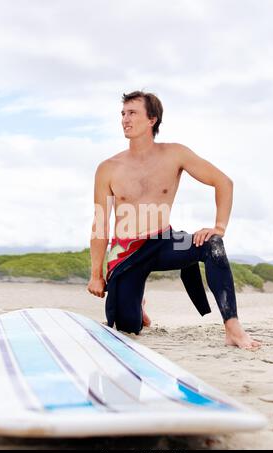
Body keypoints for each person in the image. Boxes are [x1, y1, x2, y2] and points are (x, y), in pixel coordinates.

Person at [87, 90, 261, 350]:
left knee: (212, 244)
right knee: (127, 328)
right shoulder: (108, 168)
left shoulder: (175, 154)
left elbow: (223, 182)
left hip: (166, 242)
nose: (125, 119)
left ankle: (233, 328)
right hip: (127, 253)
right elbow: (100, 223)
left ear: (152, 119)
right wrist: (96, 274)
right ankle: (138, 304)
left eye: (132, 113)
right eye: (123, 114)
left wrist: (219, 227)